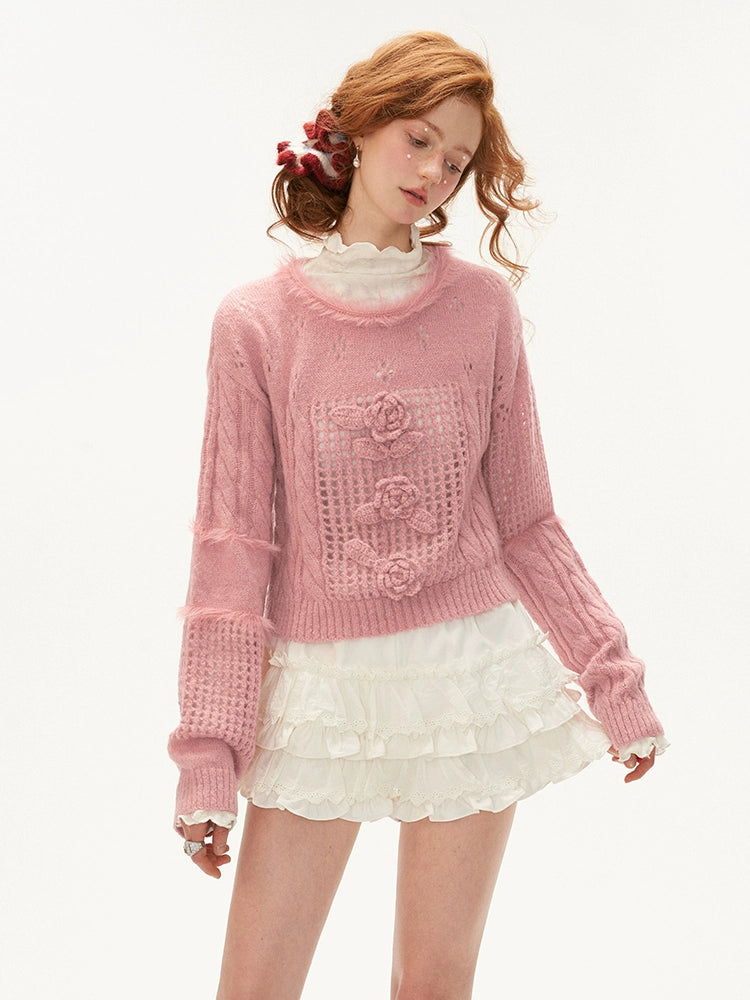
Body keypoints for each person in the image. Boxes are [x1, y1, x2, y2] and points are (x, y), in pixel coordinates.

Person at [168, 30, 668, 1000]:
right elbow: (233, 551)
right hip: (322, 695)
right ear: (358, 128)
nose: (437, 172)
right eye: (420, 138)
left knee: (433, 983)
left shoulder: (482, 308)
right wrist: (208, 756)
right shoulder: (256, 324)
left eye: (458, 160)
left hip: (469, 681)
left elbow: (528, 521)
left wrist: (614, 680)